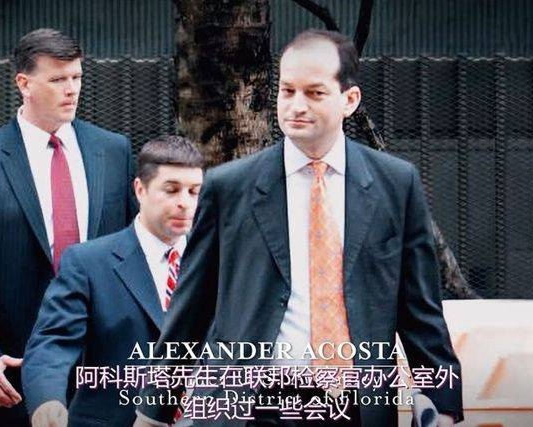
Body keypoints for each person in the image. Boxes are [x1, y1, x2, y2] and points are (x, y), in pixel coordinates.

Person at [135, 29, 463, 426]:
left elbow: (420, 310)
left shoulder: (395, 184)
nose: (296, 106)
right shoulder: (229, 188)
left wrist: (443, 405)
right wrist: (152, 413)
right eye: (287, 91)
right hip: (252, 408)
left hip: (355, 407)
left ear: (349, 100)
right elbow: (191, 308)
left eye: (314, 93)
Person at [0, 28, 137, 426]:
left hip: (109, 370)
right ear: (24, 83)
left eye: (77, 77)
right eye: (58, 79)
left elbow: (135, 253)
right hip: (17, 369)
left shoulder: (113, 150)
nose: (72, 89)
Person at [22, 136, 204, 427]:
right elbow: (52, 343)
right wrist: (48, 402)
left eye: (194, 192)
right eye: (171, 190)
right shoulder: (88, 262)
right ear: (140, 189)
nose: (185, 203)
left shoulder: (218, 260)